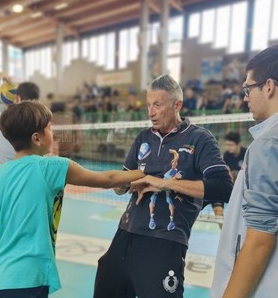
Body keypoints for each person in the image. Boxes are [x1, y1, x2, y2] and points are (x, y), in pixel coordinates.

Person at [0, 100, 144, 298]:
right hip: (29, 278)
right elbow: (106, 179)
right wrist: (145, 173)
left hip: (0, 278)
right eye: (49, 129)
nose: (54, 133)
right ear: (36, 138)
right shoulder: (50, 167)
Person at [93, 74, 233, 298]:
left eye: (157, 105)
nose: (151, 112)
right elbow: (122, 184)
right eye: (149, 105)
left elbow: (223, 188)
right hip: (125, 234)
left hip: (165, 241)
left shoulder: (200, 139)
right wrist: (124, 184)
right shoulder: (143, 137)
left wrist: (164, 183)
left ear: (176, 104)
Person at [211, 45, 278, 297]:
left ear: (269, 86)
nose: (245, 97)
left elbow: (260, 240)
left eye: (248, 88)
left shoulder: (268, 145)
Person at [0, 72, 40, 171]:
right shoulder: (40, 122)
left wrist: (0, 75)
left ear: (17, 98)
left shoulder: (1, 113)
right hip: (24, 178)